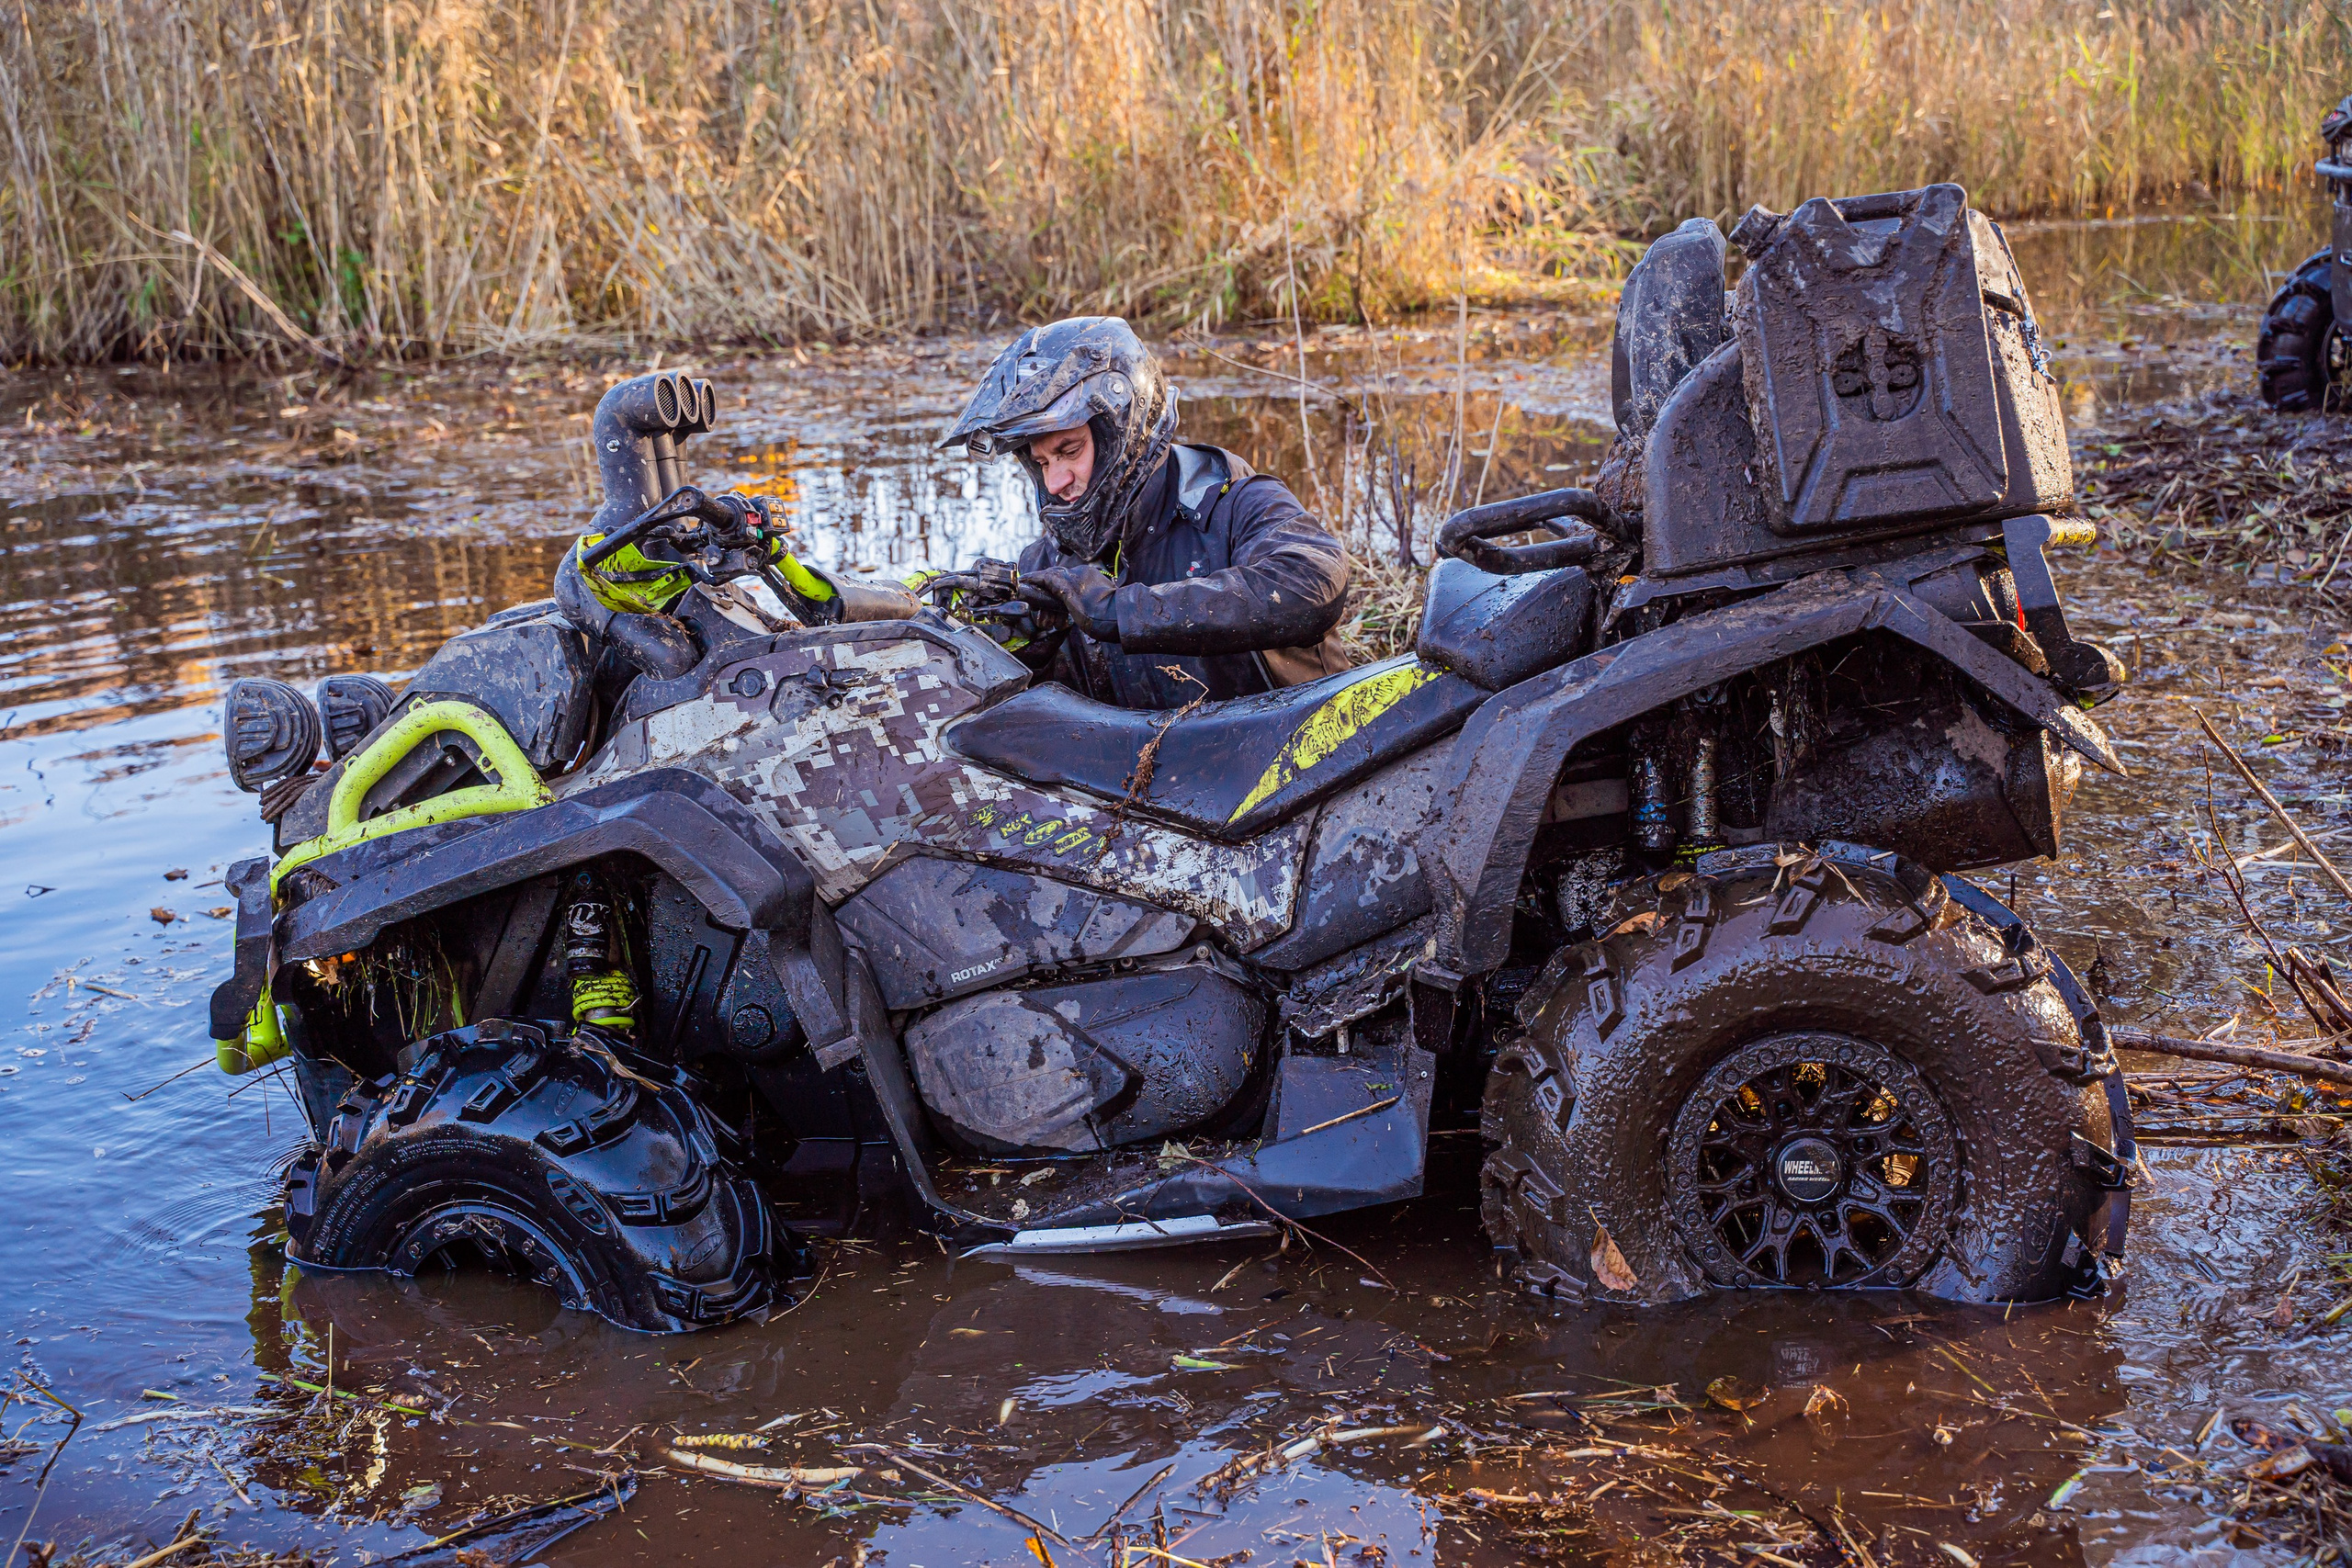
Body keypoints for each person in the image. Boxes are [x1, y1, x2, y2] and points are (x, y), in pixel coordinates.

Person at [940, 316, 1352, 711]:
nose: (1055, 482)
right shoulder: (1049, 565)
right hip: (1151, 759)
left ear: (1124, 429)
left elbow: (1314, 583)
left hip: (1307, 748)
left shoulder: (1240, 503)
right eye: (1042, 463)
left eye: (1070, 451)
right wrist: (1024, 654)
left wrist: (1118, 611)